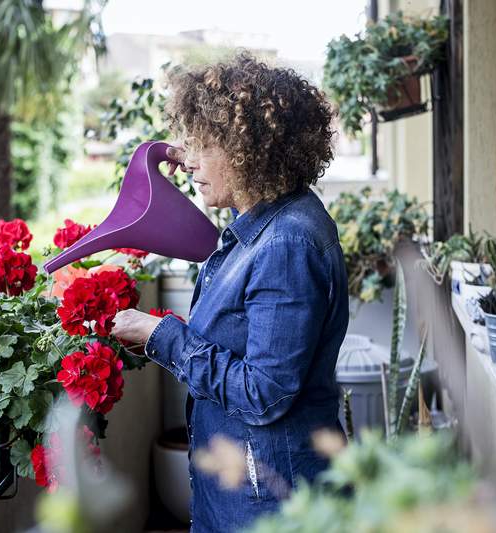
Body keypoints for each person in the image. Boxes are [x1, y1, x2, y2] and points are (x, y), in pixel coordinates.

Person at [110, 52, 349, 533]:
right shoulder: (267, 222)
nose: (189, 159)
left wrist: (161, 335)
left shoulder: (286, 243)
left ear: (250, 150)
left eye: (204, 145)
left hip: (269, 498)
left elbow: (265, 393)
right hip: (248, 486)